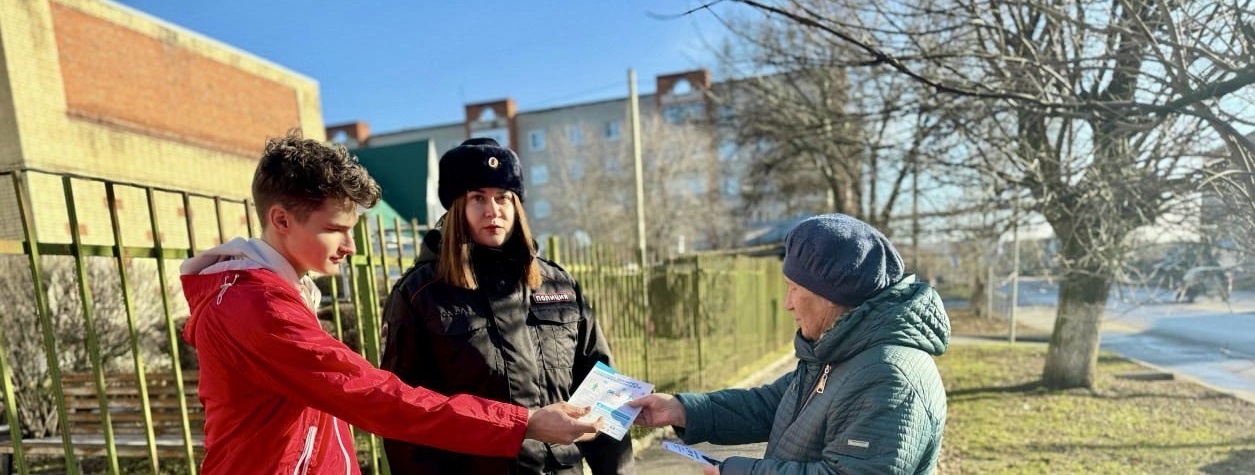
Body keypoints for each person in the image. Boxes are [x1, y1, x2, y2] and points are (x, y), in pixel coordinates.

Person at [179, 132, 599, 475]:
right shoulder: (258, 307)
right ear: (282, 221)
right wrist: (524, 422)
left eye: (504, 197)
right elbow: (378, 398)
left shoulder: (271, 292)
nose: (349, 246)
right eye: (334, 229)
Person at [380, 138, 633, 474]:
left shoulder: (557, 284)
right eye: (478, 198)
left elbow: (602, 389)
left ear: (516, 205)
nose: (492, 210)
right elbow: (406, 415)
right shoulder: (421, 294)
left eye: (502, 197)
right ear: (457, 208)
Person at [630, 213, 951, 475]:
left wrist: (739, 472)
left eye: (795, 289)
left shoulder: (888, 375)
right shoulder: (839, 351)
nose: (787, 304)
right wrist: (681, 409)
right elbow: (772, 406)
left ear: (832, 295)